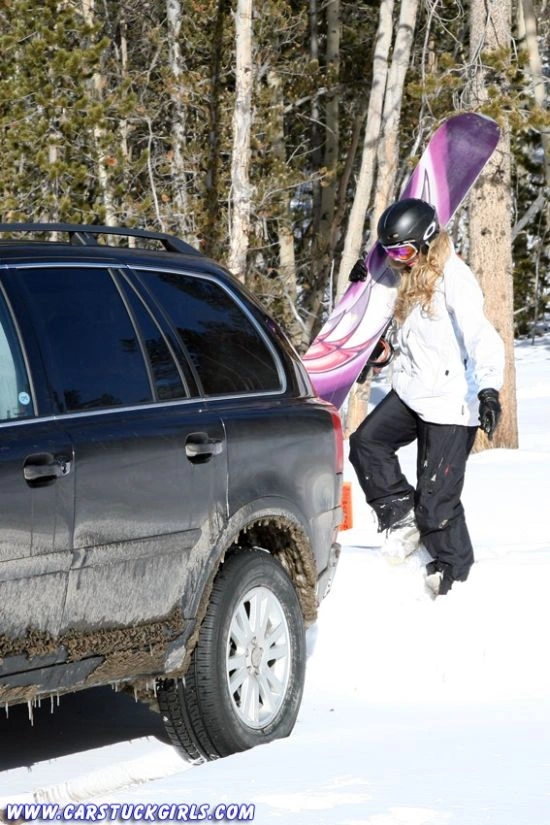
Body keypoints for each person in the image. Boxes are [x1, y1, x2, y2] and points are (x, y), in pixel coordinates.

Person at [348, 198, 505, 597]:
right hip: (412, 391)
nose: (397, 261)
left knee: (436, 505)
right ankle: (401, 516)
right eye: (390, 253)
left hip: (452, 404)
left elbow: (483, 337)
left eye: (402, 252)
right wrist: (366, 287)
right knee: (367, 444)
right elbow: (409, 340)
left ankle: (455, 575)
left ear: (427, 242)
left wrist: (489, 389)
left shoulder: (455, 279)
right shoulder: (407, 276)